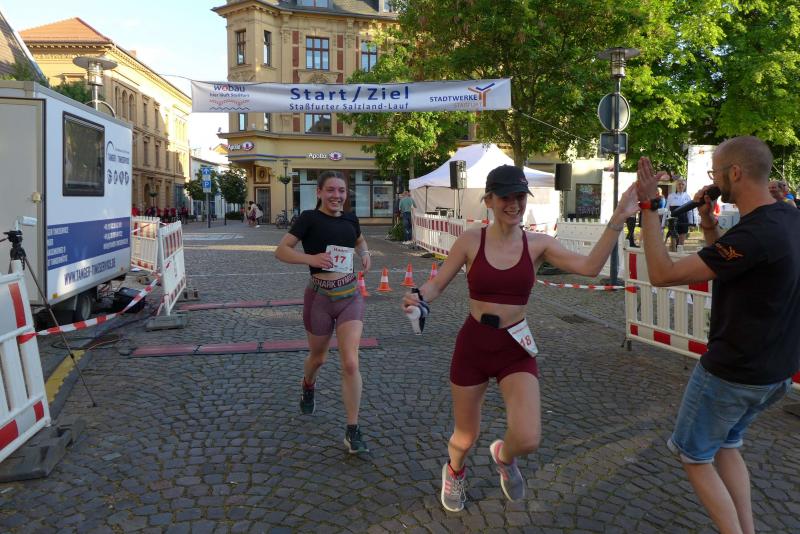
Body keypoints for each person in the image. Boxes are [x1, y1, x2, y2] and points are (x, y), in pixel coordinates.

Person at [401, 165, 639, 512]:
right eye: (505, 197)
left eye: (519, 197)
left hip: (515, 347)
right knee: (465, 437)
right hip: (473, 346)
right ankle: (454, 470)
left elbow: (589, 267)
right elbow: (437, 284)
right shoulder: (471, 240)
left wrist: (617, 219)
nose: (513, 204)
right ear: (489, 200)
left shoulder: (538, 244)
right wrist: (417, 297)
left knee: (527, 438)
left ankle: (504, 456)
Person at [636, 136, 800, 534]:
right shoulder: (787, 217)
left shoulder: (753, 234)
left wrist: (650, 208)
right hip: (776, 372)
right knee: (727, 444)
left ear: (735, 173)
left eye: (716, 172)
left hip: (733, 372)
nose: (713, 179)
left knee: (694, 455)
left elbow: (661, 274)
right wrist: (708, 223)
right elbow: (732, 264)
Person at [275, 170, 372, 454]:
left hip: (350, 296)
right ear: (319, 192)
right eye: (330, 190)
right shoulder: (308, 218)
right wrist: (312, 258)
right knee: (318, 358)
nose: (336, 195)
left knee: (350, 363)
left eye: (341, 190)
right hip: (319, 297)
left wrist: (365, 254)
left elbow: (359, 240)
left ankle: (352, 430)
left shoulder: (351, 219)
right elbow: (281, 251)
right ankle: (308, 384)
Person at [666, 178, 694, 249]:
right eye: (679, 184)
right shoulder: (671, 196)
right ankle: (672, 252)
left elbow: (690, 211)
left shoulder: (687, 197)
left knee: (681, 244)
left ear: (685, 186)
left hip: (684, 221)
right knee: (673, 245)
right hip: (673, 221)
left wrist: (691, 223)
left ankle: (679, 254)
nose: (681, 186)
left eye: (682, 184)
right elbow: (666, 210)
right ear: (676, 185)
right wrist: (663, 223)